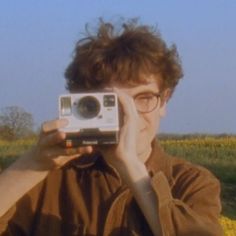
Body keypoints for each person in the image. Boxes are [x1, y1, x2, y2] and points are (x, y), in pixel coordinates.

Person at [0, 18, 223, 236]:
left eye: (143, 98)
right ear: (84, 101)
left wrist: (131, 168)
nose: (129, 116)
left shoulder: (192, 183)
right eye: (111, 102)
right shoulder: (50, 180)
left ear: (164, 100)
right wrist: (32, 165)